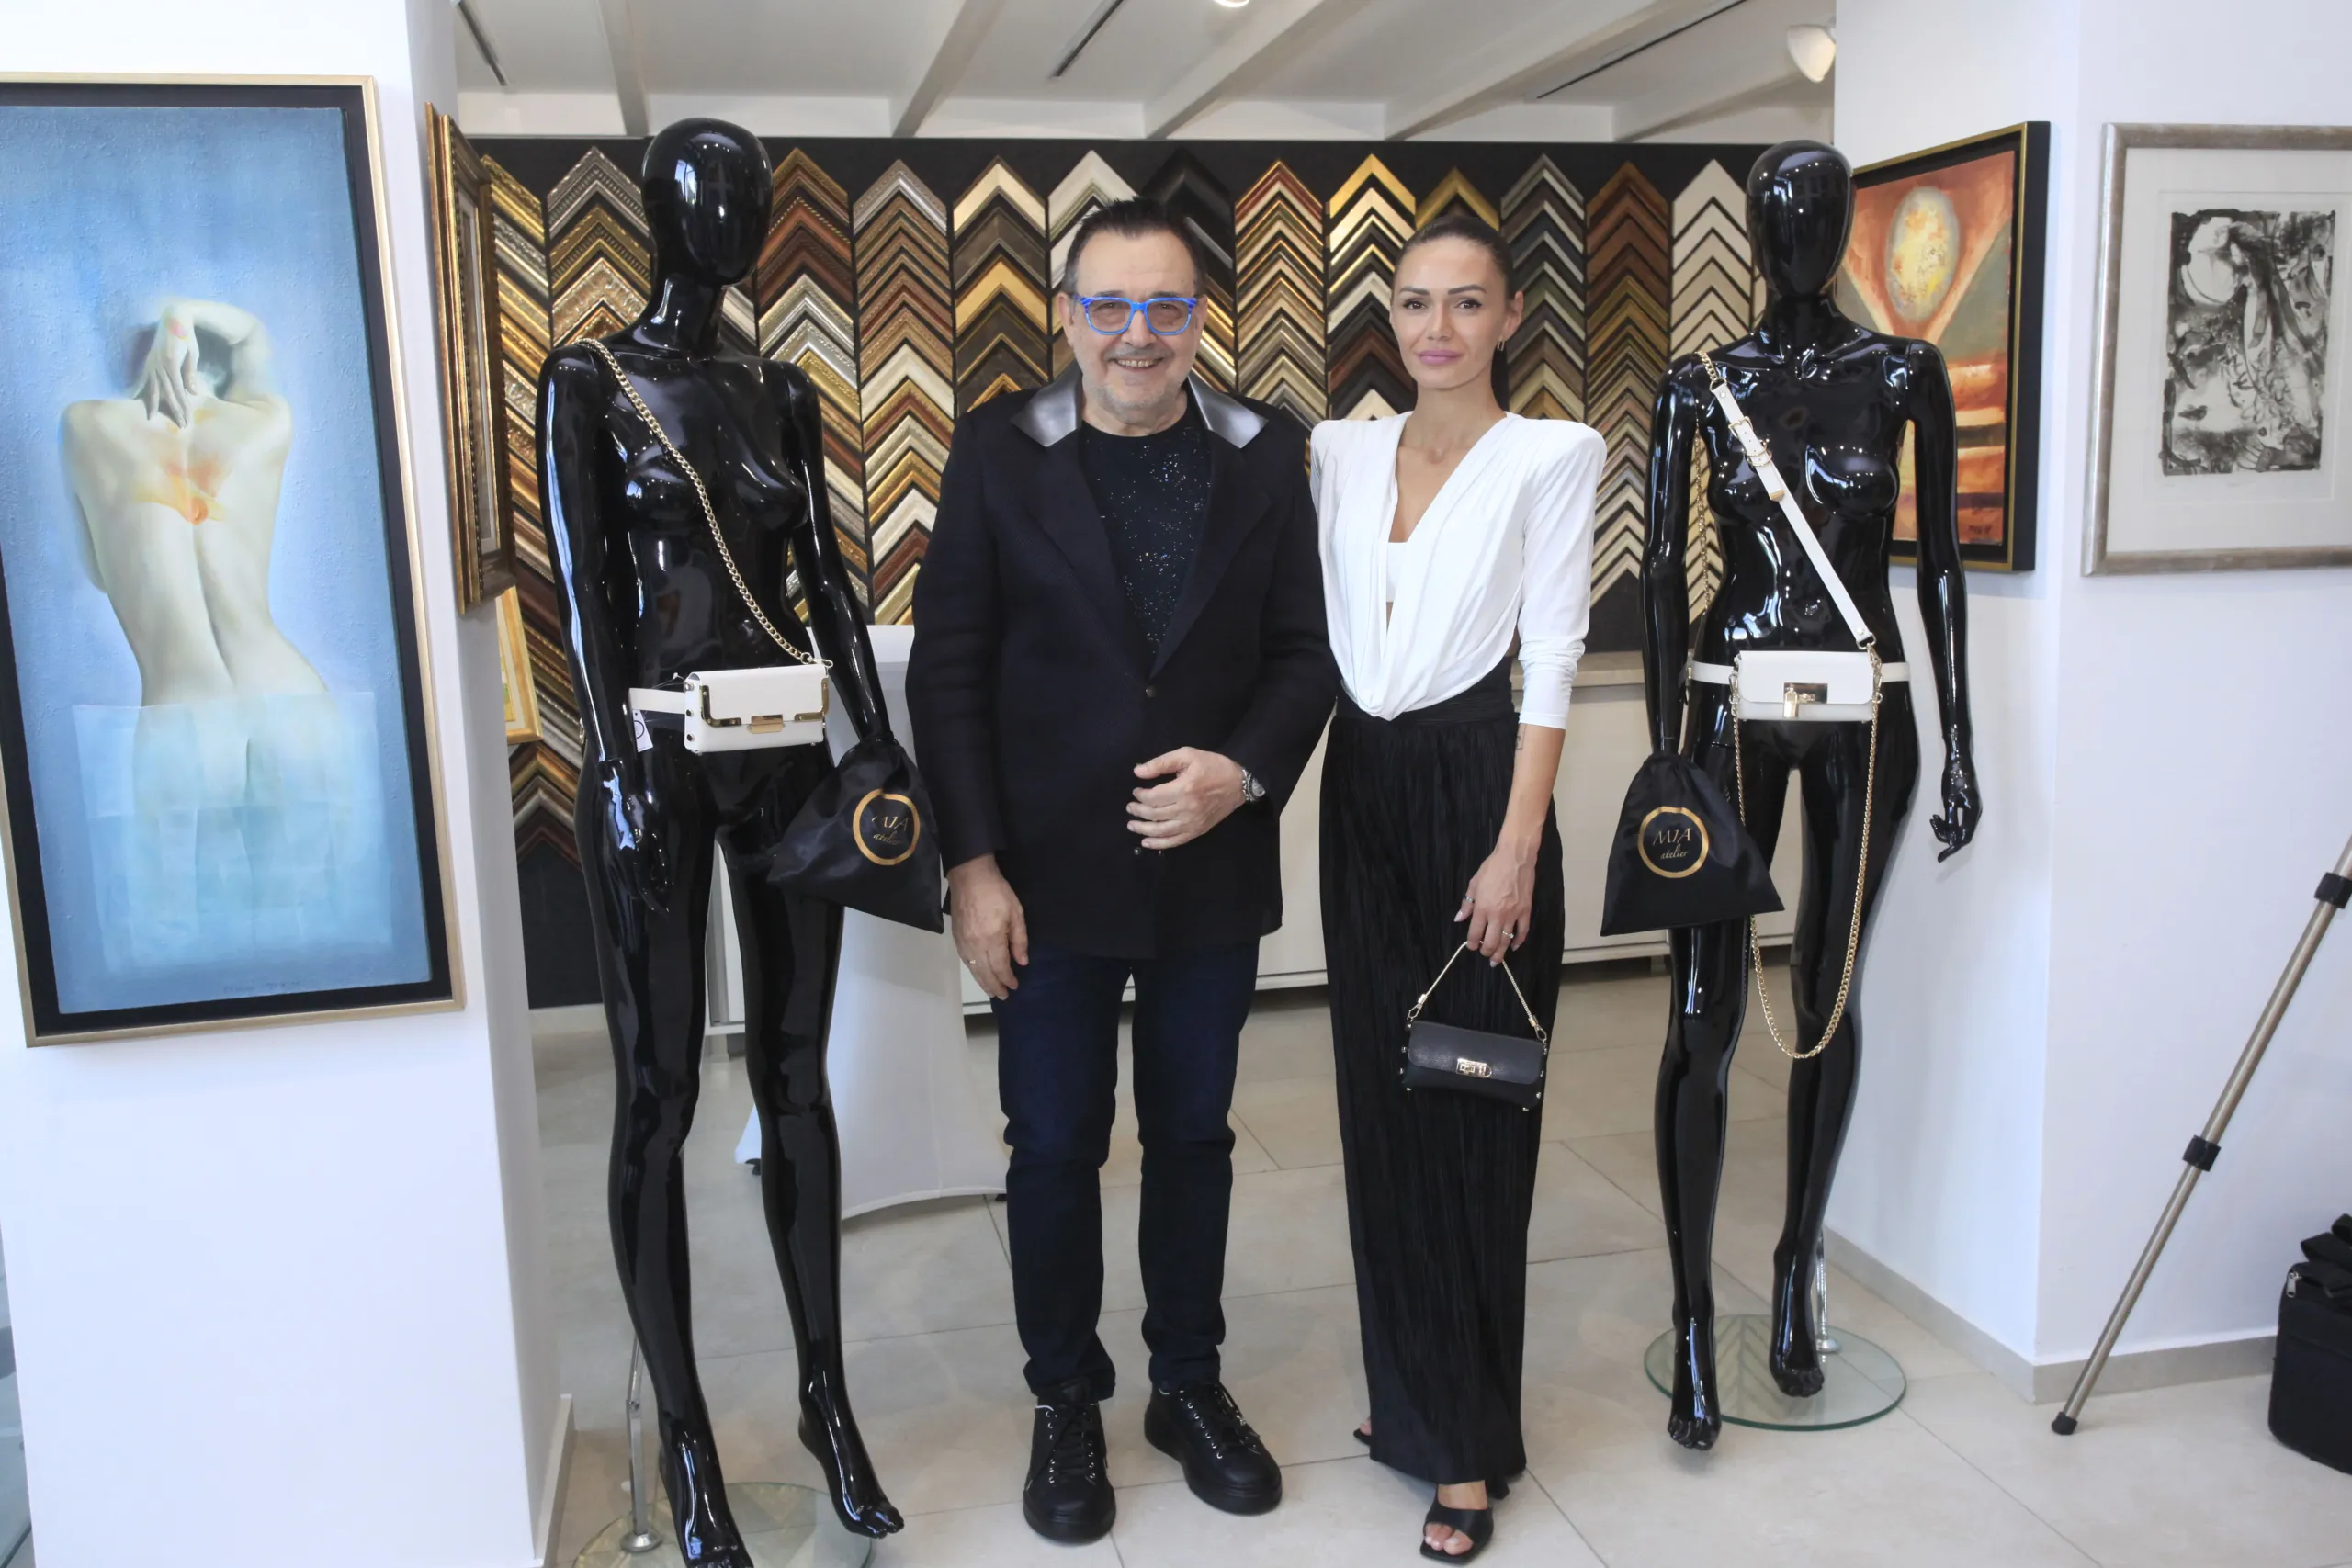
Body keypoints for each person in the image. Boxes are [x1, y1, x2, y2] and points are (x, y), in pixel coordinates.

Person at [908, 197, 1337, 1546]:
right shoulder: (997, 450)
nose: (1136, 334)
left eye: (1164, 306)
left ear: (1199, 317)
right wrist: (971, 866)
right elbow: (949, 671)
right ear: (1068, 315)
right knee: (1054, 1143)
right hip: (1044, 879)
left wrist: (1242, 771)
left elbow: (1305, 652)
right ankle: (1065, 1395)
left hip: (1209, 867)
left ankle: (1187, 1384)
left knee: (1195, 1137)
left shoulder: (1269, 451)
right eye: (1109, 305)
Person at [539, 121, 903, 1558]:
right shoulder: (586, 378)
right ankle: (687, 1437)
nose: (735, 220)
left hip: (786, 754)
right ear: (660, 211)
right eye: (710, 195)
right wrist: (615, 759)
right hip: (655, 755)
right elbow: (584, 591)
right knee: (659, 1091)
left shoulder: (780, 387)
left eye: (753, 197)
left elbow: (825, 578)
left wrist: (875, 734)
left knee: (799, 1076)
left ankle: (827, 1397)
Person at [1313, 214, 1600, 1562]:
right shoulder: (1341, 448)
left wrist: (1516, 844)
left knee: (1472, 1108)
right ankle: (1413, 1389)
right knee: (1380, 1107)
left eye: (1467, 301)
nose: (1439, 326)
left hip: (1480, 784)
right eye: (1417, 301)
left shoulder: (1551, 453)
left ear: (1508, 317)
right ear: (1390, 313)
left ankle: (1467, 1448)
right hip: (1360, 785)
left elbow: (1556, 653)